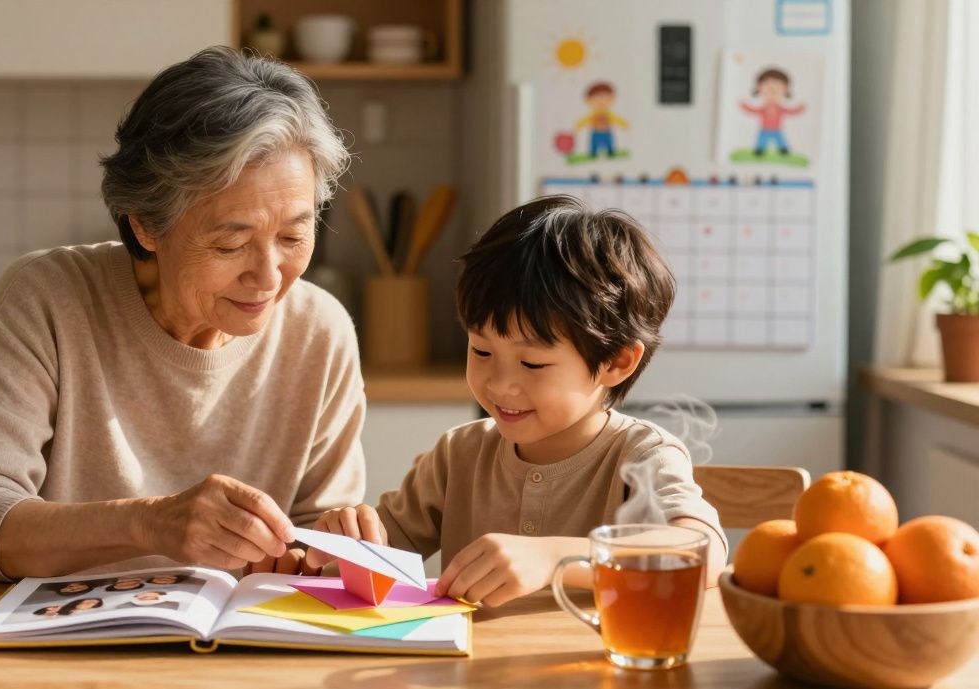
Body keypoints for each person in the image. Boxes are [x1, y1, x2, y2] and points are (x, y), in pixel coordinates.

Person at [0, 46, 362, 581]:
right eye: (230, 244)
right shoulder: (47, 300)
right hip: (64, 651)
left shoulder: (320, 331)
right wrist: (148, 524)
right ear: (147, 225)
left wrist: (337, 551)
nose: (269, 277)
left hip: (242, 654)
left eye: (293, 234)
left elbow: (314, 550)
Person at [307, 195, 727, 608]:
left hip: (596, 670)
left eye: (532, 363)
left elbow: (700, 554)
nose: (501, 385)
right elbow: (376, 553)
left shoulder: (641, 455)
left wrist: (555, 557)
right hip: (471, 672)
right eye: (482, 352)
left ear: (616, 362)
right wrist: (343, 540)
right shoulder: (458, 455)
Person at [739, 68, 805, 156]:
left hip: (777, 129)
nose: (772, 89)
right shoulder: (763, 108)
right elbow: (754, 110)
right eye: (767, 86)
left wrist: (799, 109)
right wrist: (745, 106)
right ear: (759, 88)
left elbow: (790, 111)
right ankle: (759, 150)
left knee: (781, 140)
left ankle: (783, 150)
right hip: (764, 129)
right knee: (761, 140)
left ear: (785, 90)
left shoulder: (780, 108)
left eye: (778, 87)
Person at [574, 82, 627, 158]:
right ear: (588, 100)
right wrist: (578, 126)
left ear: (612, 99)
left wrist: (623, 124)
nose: (601, 101)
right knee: (594, 145)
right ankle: (593, 153)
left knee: (609, 144)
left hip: (607, 132)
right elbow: (585, 120)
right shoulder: (592, 115)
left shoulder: (609, 114)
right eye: (597, 98)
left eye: (606, 98)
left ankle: (610, 152)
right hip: (596, 133)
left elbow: (616, 119)